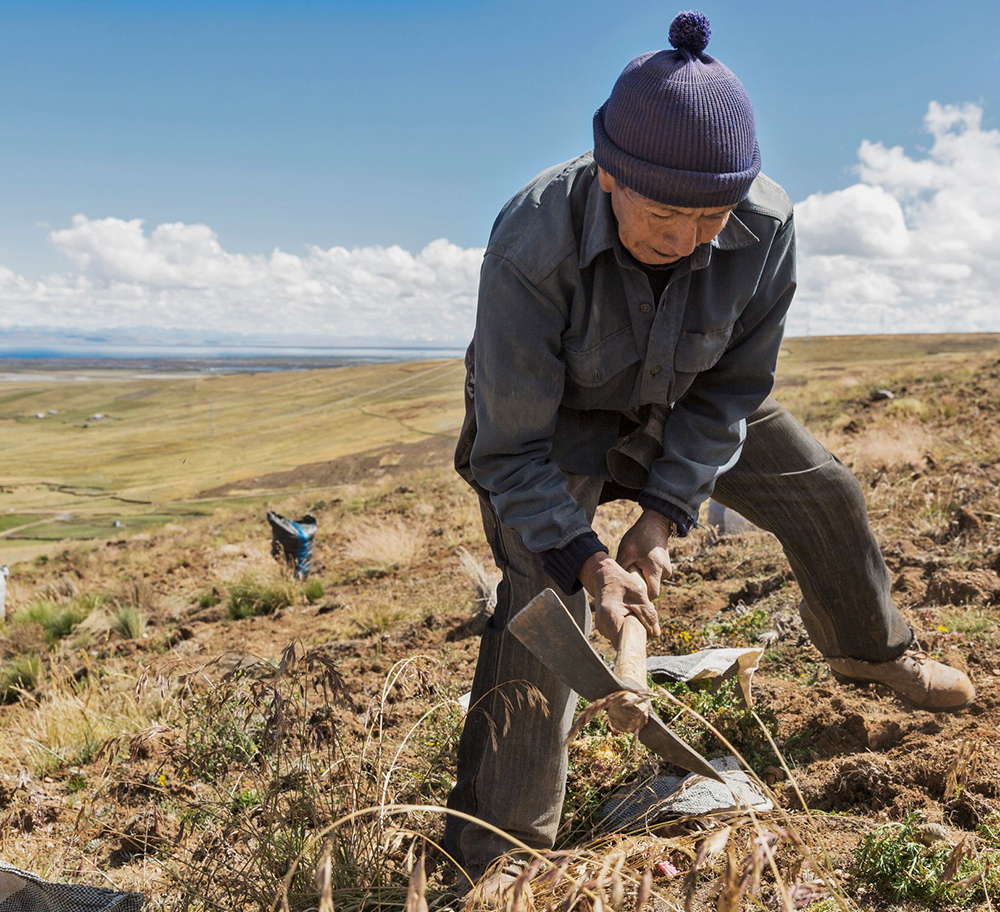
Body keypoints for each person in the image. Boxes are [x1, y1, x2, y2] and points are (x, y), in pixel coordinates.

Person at [444, 10, 974, 899]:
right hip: (554, 424)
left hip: (681, 400)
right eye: (666, 215)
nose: (691, 239)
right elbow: (511, 449)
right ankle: (498, 845)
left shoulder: (766, 225)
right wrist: (588, 562)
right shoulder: (533, 245)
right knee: (541, 605)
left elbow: (731, 392)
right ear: (610, 174)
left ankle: (867, 647)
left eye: (712, 216)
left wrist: (662, 514)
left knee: (824, 490)